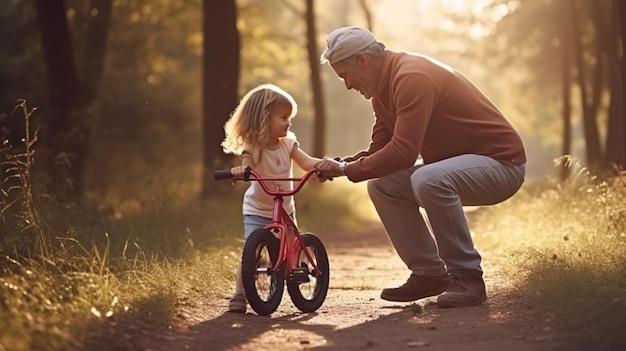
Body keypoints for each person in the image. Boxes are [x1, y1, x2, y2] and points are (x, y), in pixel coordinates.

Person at [316, 26, 526, 308]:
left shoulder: (411, 77)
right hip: (458, 168)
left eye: (345, 75)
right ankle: (429, 274)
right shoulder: (383, 92)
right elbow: (380, 150)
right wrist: (341, 164)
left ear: (363, 61)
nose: (347, 85)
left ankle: (468, 278)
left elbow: (403, 153)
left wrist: (344, 171)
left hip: (502, 165)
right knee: (382, 185)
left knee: (429, 179)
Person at [221, 83, 322, 313]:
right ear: (264, 117)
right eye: (283, 117)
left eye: (289, 118)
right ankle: (239, 295)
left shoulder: (288, 144)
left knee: (291, 242)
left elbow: (306, 163)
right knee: (251, 252)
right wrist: (242, 171)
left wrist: (322, 167)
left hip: (285, 205)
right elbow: (246, 164)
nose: (288, 122)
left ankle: (300, 267)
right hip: (258, 209)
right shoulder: (253, 146)